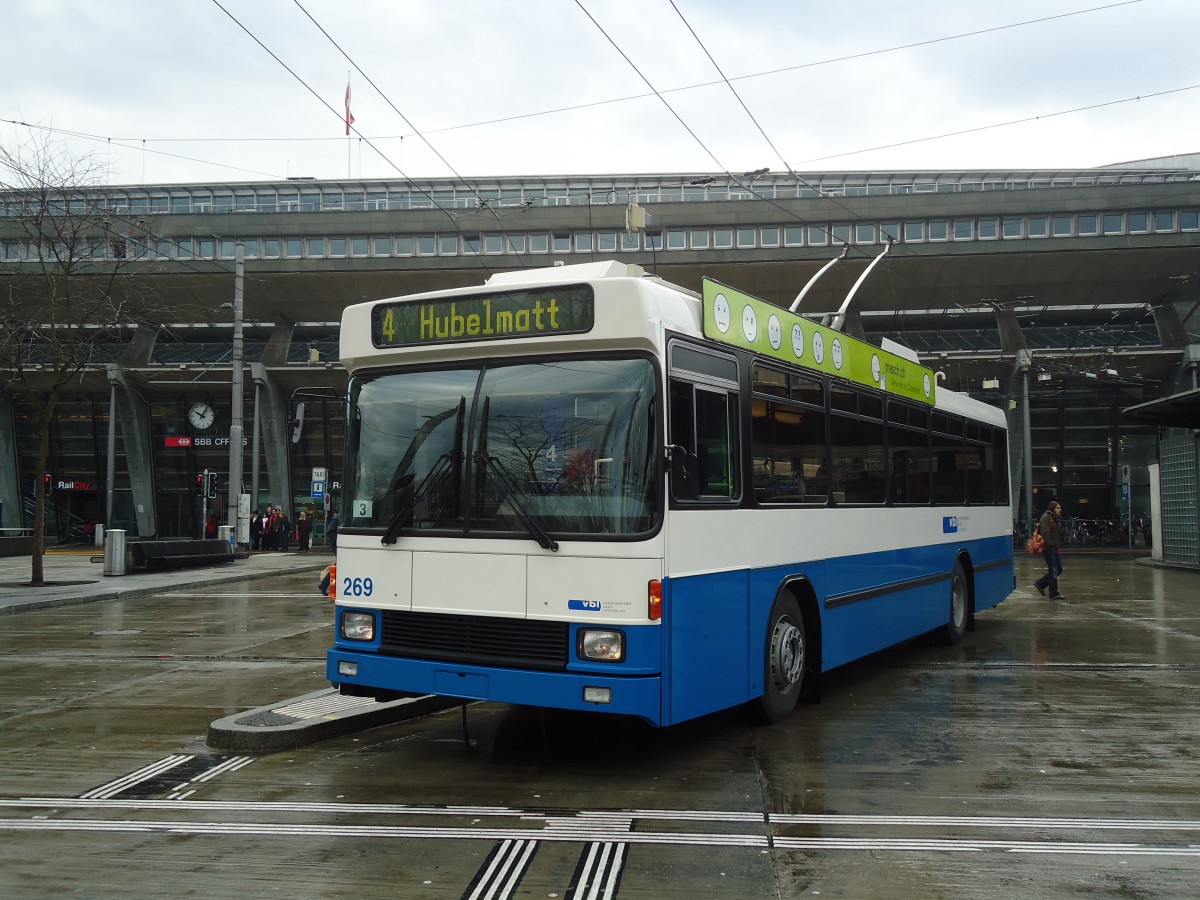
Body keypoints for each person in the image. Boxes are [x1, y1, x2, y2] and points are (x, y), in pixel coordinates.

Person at [1033, 500, 1065, 600]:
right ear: (1052, 508)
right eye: (1057, 508)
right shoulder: (1047, 517)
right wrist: (1049, 543)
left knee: (1058, 569)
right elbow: (1044, 531)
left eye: (1059, 507)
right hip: (1048, 547)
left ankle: (1040, 583)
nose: (1060, 509)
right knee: (1054, 570)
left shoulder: (1055, 518)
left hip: (1054, 547)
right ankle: (1054, 593)